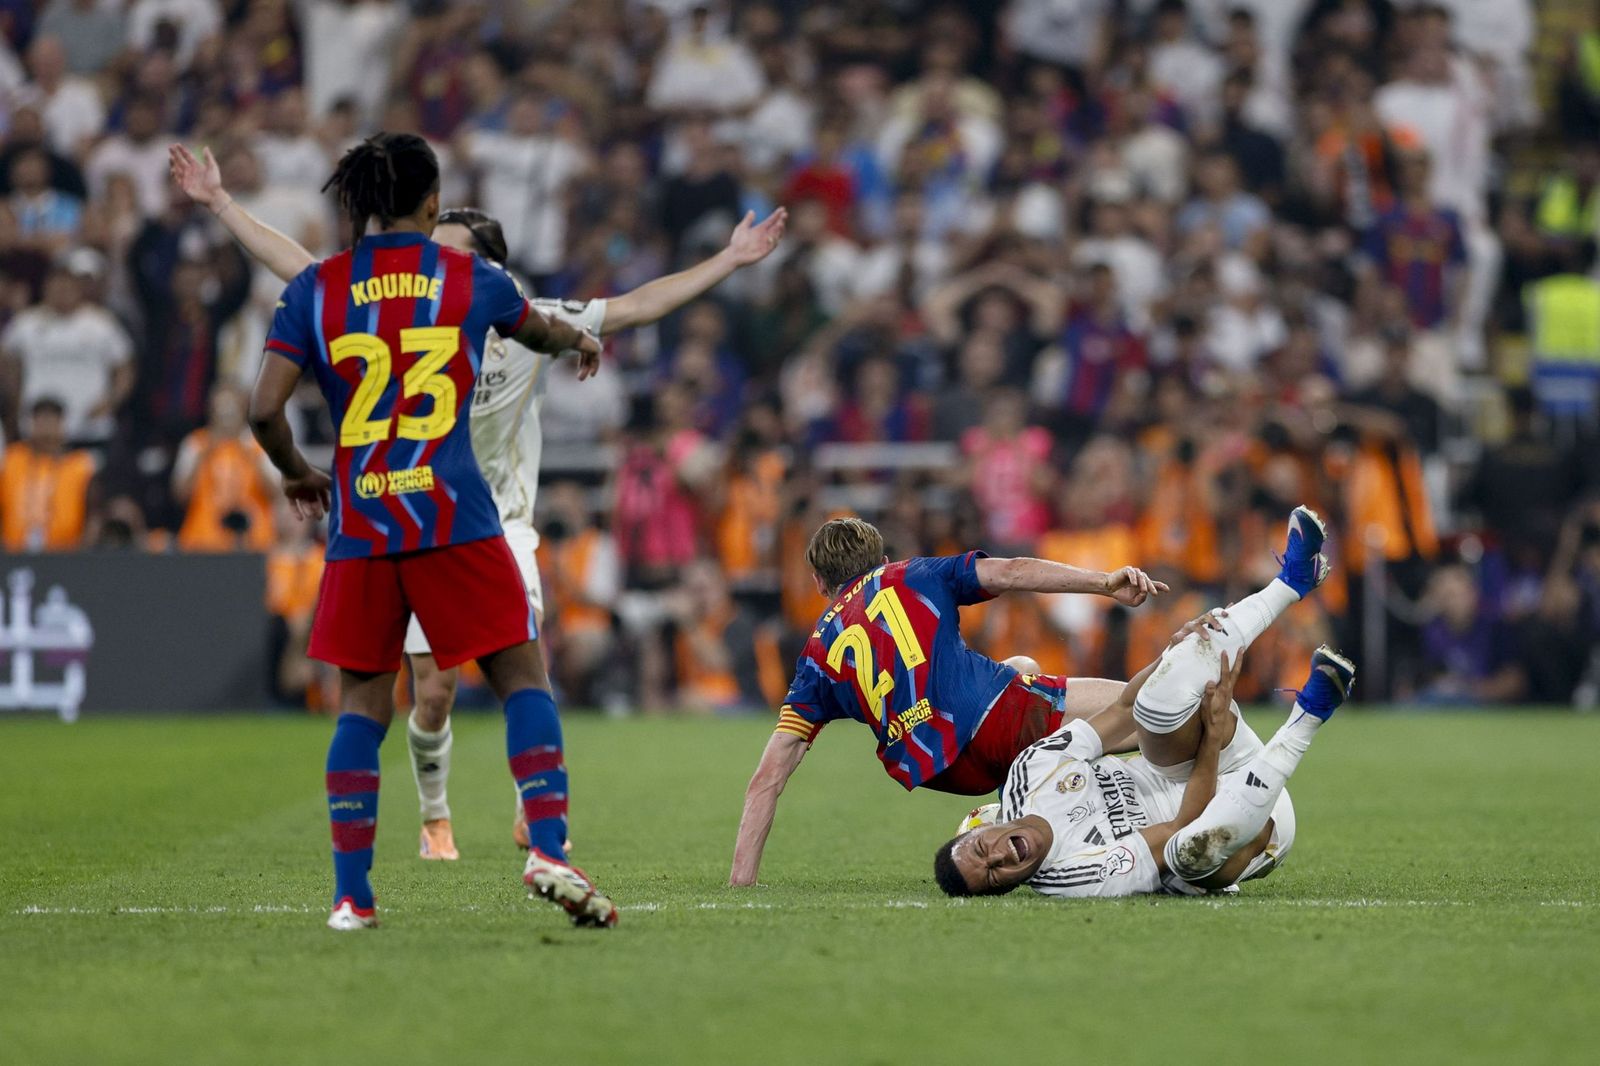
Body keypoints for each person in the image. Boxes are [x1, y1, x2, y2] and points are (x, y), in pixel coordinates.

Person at [172, 141, 787, 859]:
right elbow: (300, 269)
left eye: (451, 250)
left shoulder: (523, 316)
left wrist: (730, 261)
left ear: (489, 264)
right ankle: (436, 813)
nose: (432, 258)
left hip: (502, 526)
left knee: (526, 671)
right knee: (430, 693)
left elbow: (638, 305)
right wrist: (220, 204)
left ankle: (540, 818)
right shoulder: (407, 304)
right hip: (417, 516)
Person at [245, 131, 615, 931]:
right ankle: (547, 845)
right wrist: (582, 338)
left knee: (361, 708)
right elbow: (539, 331)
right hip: (454, 513)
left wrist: (297, 472)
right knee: (522, 678)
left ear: (357, 205)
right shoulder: (469, 276)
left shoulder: (313, 287)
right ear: (430, 202)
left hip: (362, 522)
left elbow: (261, 409)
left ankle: (351, 896)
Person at [934, 506, 1352, 898]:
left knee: (1153, 702)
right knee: (1191, 854)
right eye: (993, 875)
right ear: (1008, 887)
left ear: (985, 826)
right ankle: (1308, 716)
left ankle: (1291, 582)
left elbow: (1120, 711)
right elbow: (1182, 824)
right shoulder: (1074, 877)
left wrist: (1172, 656)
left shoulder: (1032, 770)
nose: (999, 856)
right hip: (1251, 822)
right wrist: (1211, 733)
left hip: (1200, 755)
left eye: (981, 848)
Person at [727, 515, 1168, 887]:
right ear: (882, 561)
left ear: (820, 584)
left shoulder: (815, 657)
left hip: (946, 771)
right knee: (1154, 706)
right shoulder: (911, 573)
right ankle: (1197, 803)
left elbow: (768, 777)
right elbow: (1012, 571)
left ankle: (1033, 807)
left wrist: (741, 883)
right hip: (992, 717)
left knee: (1022, 665)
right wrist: (1104, 583)